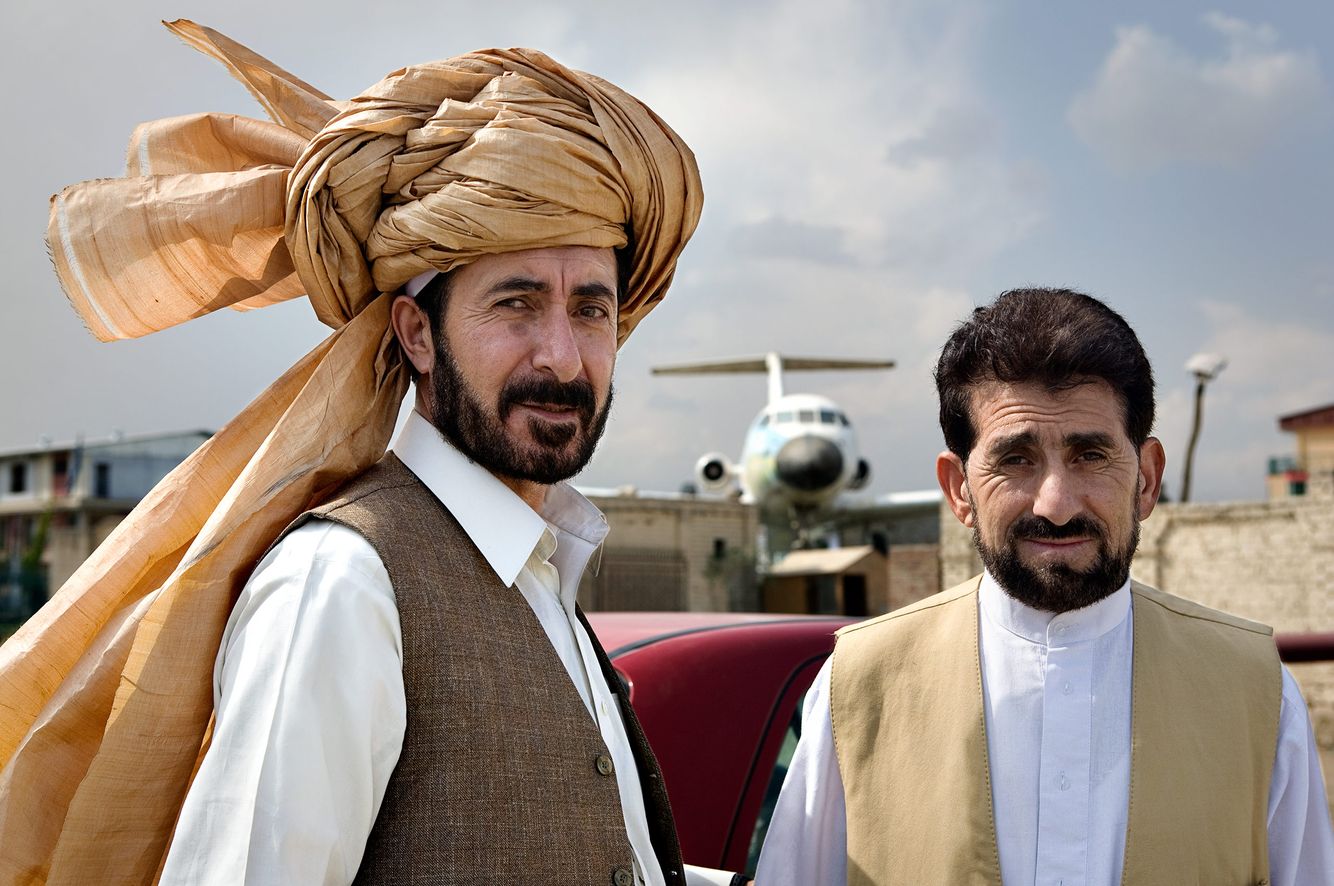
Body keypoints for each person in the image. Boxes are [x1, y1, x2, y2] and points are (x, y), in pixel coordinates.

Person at [0, 19, 739, 886]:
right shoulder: (344, 584)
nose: (562, 357)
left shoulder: (540, 572)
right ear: (417, 334)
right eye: (516, 304)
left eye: (591, 310)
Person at [754, 288, 1334, 885]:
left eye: (1090, 455)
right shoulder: (858, 690)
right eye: (1016, 460)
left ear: (1148, 478)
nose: (1055, 505)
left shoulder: (1256, 697)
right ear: (959, 489)